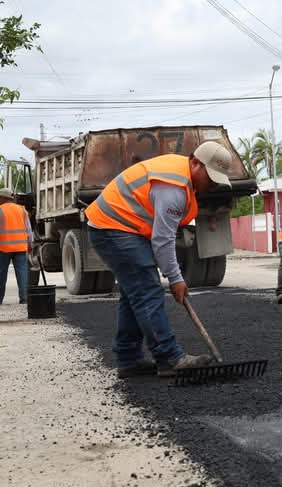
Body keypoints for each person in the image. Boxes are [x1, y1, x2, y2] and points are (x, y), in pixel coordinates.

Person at [85, 141, 232, 378]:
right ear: (196, 163)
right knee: (148, 290)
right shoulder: (173, 188)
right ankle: (169, 357)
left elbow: (162, 236)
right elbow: (163, 239)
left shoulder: (182, 179)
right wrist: (176, 279)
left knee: (135, 294)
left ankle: (129, 359)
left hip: (122, 227)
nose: (213, 184)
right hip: (113, 226)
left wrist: (174, 276)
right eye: (211, 177)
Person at [0, 188, 33, 304]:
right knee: (22, 273)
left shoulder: (0, 210)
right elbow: (29, 230)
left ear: (3, 198)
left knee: (1, 274)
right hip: (20, 247)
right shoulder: (22, 210)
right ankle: (24, 299)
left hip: (3, 248)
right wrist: (30, 245)